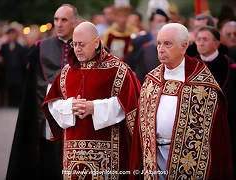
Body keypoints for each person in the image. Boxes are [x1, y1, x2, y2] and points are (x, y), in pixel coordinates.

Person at [130, 23, 233, 180]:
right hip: (154, 158)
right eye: (158, 43)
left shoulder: (201, 83)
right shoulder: (152, 80)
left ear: (184, 47)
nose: (161, 49)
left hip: (191, 162)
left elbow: (216, 134)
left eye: (167, 44)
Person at [42, 22, 141, 180]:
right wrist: (70, 106)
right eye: (74, 44)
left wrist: (95, 108)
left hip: (108, 155)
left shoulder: (118, 70)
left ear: (96, 42)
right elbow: (52, 103)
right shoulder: (67, 72)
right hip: (73, 156)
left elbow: (131, 103)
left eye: (81, 44)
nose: (77, 49)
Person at [6, 4, 79, 180]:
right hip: (46, 120)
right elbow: (32, 90)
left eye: (64, 20)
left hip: (78, 120)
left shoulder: (86, 47)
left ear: (75, 23)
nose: (58, 24)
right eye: (56, 19)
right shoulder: (40, 48)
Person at [194, 25, 236, 177]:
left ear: (217, 43)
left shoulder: (230, 66)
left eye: (205, 39)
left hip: (226, 125)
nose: (200, 43)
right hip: (198, 128)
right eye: (198, 40)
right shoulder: (191, 66)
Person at [0, 28, 26, 107]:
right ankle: (10, 102)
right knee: (9, 86)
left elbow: (23, 57)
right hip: (8, 70)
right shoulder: (4, 46)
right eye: (10, 34)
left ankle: (17, 102)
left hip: (18, 70)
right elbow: (1, 57)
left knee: (18, 86)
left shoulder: (20, 46)